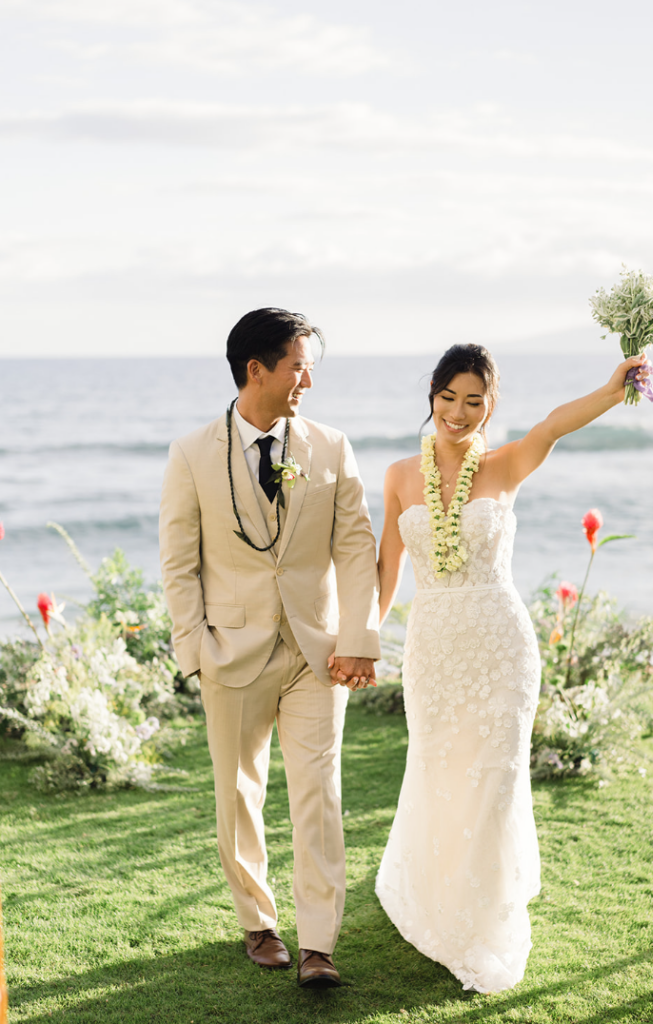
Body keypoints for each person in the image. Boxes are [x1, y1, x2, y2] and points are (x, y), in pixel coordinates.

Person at [374, 344, 648, 993]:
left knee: (493, 778)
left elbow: (553, 423)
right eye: (448, 398)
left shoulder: (505, 464)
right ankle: (440, 895)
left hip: (500, 647)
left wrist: (613, 390)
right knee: (440, 768)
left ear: (490, 406)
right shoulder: (398, 475)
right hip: (434, 647)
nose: (458, 412)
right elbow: (389, 567)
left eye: (474, 401)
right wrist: (361, 639)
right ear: (432, 397)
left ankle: (484, 916)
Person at [159, 308, 380, 988]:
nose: (307, 379)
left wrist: (358, 641)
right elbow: (178, 563)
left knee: (320, 795)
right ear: (257, 369)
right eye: (298, 365)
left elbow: (355, 548)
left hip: (320, 653)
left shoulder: (331, 447)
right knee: (238, 794)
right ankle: (258, 921)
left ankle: (318, 945)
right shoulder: (192, 453)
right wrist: (195, 651)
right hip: (231, 652)